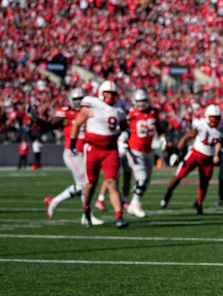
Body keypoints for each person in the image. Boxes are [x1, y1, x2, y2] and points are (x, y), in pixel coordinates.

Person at [70, 80, 130, 229]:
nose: (110, 96)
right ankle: (86, 211)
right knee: (91, 184)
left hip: (110, 149)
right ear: (101, 93)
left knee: (112, 183)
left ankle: (119, 217)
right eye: (107, 93)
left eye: (113, 93)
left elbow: (124, 127)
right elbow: (77, 124)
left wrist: (125, 134)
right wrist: (72, 142)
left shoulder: (120, 108)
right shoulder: (91, 104)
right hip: (93, 149)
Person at [43, 89, 103, 225]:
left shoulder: (89, 111)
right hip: (73, 152)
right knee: (86, 183)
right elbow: (51, 125)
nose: (78, 103)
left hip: (86, 152)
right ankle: (86, 214)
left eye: (80, 100)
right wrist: (38, 120)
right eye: (76, 100)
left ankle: (83, 214)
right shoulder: (66, 113)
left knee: (83, 185)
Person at [161, 105, 222, 215]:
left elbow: (219, 141)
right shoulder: (201, 125)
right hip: (195, 154)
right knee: (179, 175)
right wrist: (176, 152)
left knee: (204, 183)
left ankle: (199, 203)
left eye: (217, 117)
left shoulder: (221, 128)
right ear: (207, 116)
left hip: (208, 158)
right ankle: (168, 194)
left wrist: (217, 153)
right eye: (212, 117)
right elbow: (186, 137)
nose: (214, 120)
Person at [125, 89, 159, 218]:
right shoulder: (131, 113)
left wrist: (162, 136)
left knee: (147, 181)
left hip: (148, 150)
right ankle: (136, 204)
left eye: (144, 101)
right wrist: (123, 136)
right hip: (135, 150)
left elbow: (159, 126)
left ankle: (133, 203)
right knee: (141, 178)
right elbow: (123, 126)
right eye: (139, 101)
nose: (142, 104)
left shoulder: (154, 112)